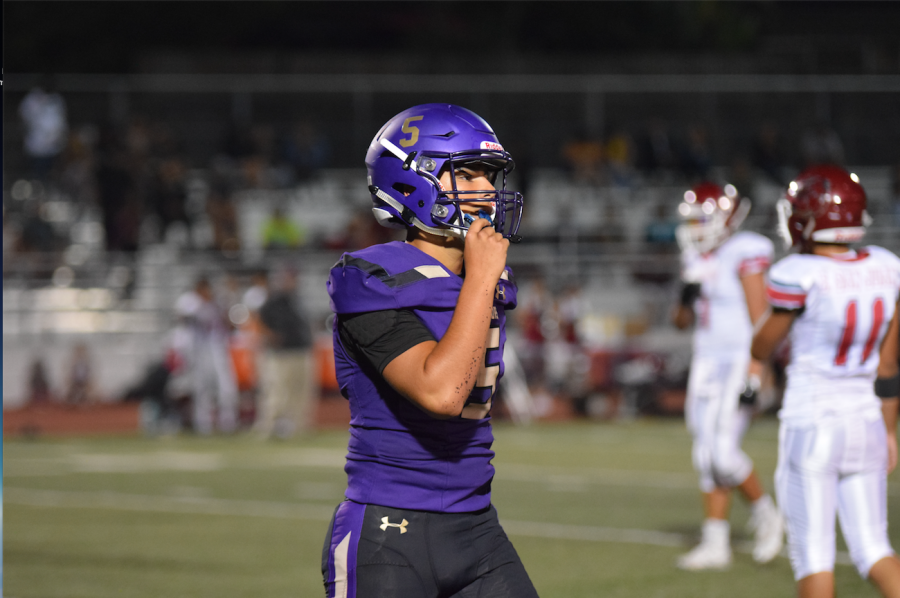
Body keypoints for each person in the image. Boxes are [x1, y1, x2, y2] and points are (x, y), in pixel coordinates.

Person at [321, 104, 536, 597]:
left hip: (477, 526)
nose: (486, 189)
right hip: (389, 536)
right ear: (410, 181)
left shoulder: (488, 279)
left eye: (489, 175)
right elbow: (441, 393)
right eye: (468, 173)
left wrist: (481, 280)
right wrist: (480, 280)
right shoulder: (372, 278)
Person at [751, 165, 900, 598]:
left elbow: (761, 347)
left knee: (813, 558)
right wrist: (889, 432)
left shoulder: (798, 272)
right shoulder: (888, 266)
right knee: (875, 550)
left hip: (814, 421)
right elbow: (888, 368)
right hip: (868, 423)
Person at [671, 182, 784, 570]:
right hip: (705, 361)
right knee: (704, 455)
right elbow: (681, 322)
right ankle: (715, 542)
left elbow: (761, 319)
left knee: (723, 451)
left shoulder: (745, 250)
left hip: (738, 359)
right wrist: (686, 293)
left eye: (703, 218)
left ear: (725, 217)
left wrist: (758, 373)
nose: (696, 227)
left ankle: (767, 513)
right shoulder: (696, 257)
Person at [254, 267, 316, 439]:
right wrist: (270, 335)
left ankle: (298, 427)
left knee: (300, 391)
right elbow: (259, 319)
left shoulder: (298, 299)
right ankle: (268, 426)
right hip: (281, 353)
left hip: (301, 350)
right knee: (277, 391)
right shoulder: (275, 300)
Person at [175, 277, 240, 435]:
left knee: (226, 387)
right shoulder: (190, 300)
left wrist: (224, 301)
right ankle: (203, 425)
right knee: (201, 389)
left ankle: (228, 422)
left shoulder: (216, 302)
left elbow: (230, 325)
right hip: (199, 350)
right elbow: (184, 318)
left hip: (218, 348)